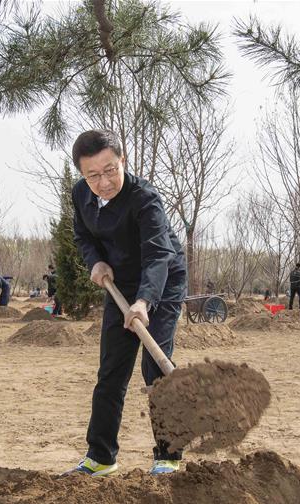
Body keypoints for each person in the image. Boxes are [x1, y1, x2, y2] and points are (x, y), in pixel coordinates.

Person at [65, 129, 187, 477]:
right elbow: (83, 235)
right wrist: (95, 263)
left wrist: (145, 301)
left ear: (123, 160)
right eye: (92, 175)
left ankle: (168, 455)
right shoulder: (80, 195)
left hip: (161, 279)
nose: (103, 181)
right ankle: (101, 457)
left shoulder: (145, 199)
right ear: (82, 175)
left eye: (110, 170)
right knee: (111, 370)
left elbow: (159, 254)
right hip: (119, 283)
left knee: (155, 368)